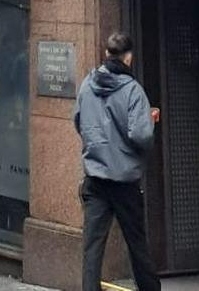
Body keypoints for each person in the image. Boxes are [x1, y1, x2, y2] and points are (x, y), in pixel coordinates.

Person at [74, 29, 161, 291]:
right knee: (137, 244)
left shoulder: (87, 84)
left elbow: (78, 121)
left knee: (92, 248)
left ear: (106, 53)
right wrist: (149, 122)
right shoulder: (133, 90)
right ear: (128, 57)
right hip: (124, 181)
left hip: (95, 178)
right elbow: (141, 135)